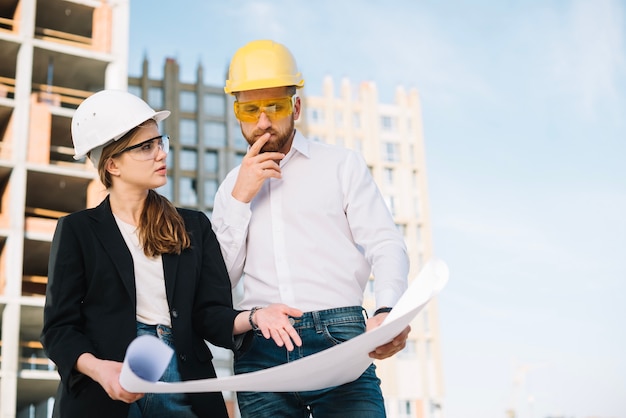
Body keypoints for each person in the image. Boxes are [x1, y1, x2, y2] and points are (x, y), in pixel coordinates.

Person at [40, 89, 301, 418]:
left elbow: (210, 314)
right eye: (146, 147)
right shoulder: (77, 231)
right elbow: (58, 329)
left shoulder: (193, 226)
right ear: (113, 164)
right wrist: (98, 369)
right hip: (106, 390)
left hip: (183, 382)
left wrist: (254, 317)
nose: (161, 154)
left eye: (159, 142)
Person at [212, 39, 412, 418]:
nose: (263, 122)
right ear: (236, 113)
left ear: (297, 107)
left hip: (339, 340)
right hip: (261, 351)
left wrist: (387, 309)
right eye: (250, 109)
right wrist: (240, 199)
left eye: (276, 107)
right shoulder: (230, 189)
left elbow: (385, 243)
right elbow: (219, 279)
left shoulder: (341, 166)